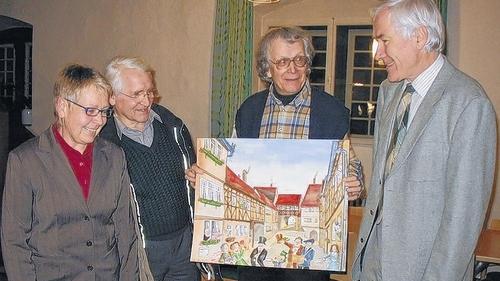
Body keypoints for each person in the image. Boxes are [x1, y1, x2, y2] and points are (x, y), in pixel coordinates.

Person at [187, 26, 364, 281]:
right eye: (282, 61)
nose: (292, 69)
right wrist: (204, 174)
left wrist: (355, 181)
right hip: (254, 257)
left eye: (299, 60)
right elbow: (231, 163)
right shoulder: (250, 109)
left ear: (307, 64)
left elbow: (349, 162)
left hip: (308, 263)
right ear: (267, 69)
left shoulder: (332, 111)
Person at [352, 1, 496, 280]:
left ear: (418, 36)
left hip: (422, 271)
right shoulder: (389, 91)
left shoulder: (468, 103)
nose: (378, 53)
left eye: (384, 40)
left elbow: (462, 223)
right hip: (371, 263)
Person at [1, 64, 139, 280]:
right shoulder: (25, 161)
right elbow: (14, 241)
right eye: (91, 110)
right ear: (62, 107)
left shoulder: (114, 156)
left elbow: (126, 230)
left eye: (104, 112)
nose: (100, 121)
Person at [100, 56, 200, 281]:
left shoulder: (173, 127)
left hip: (184, 245)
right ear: (112, 97)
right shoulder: (103, 144)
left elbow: (191, 178)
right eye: (136, 94)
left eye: (149, 92)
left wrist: (197, 177)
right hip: (140, 249)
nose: (146, 101)